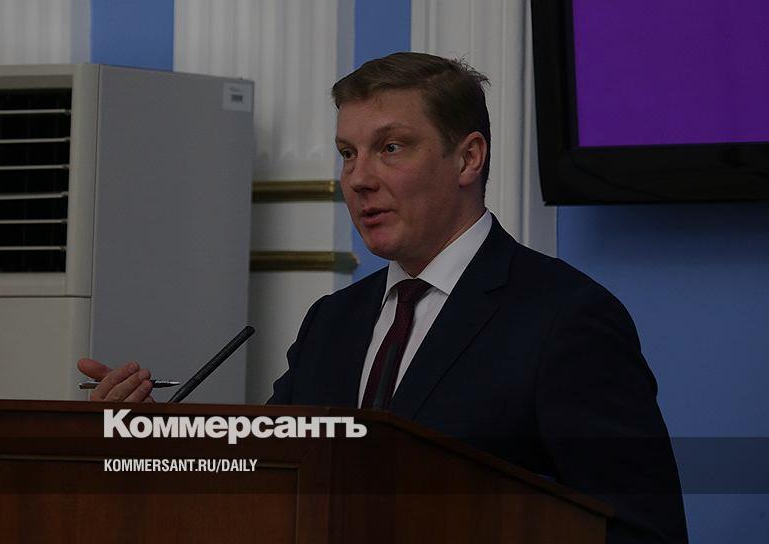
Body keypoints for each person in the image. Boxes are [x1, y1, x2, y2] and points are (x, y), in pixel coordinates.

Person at [79, 52, 688, 543]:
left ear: (468, 158)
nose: (359, 179)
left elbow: (641, 532)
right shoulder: (333, 321)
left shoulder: (565, 317)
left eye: (391, 148)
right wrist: (150, 445)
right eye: (348, 154)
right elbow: (267, 485)